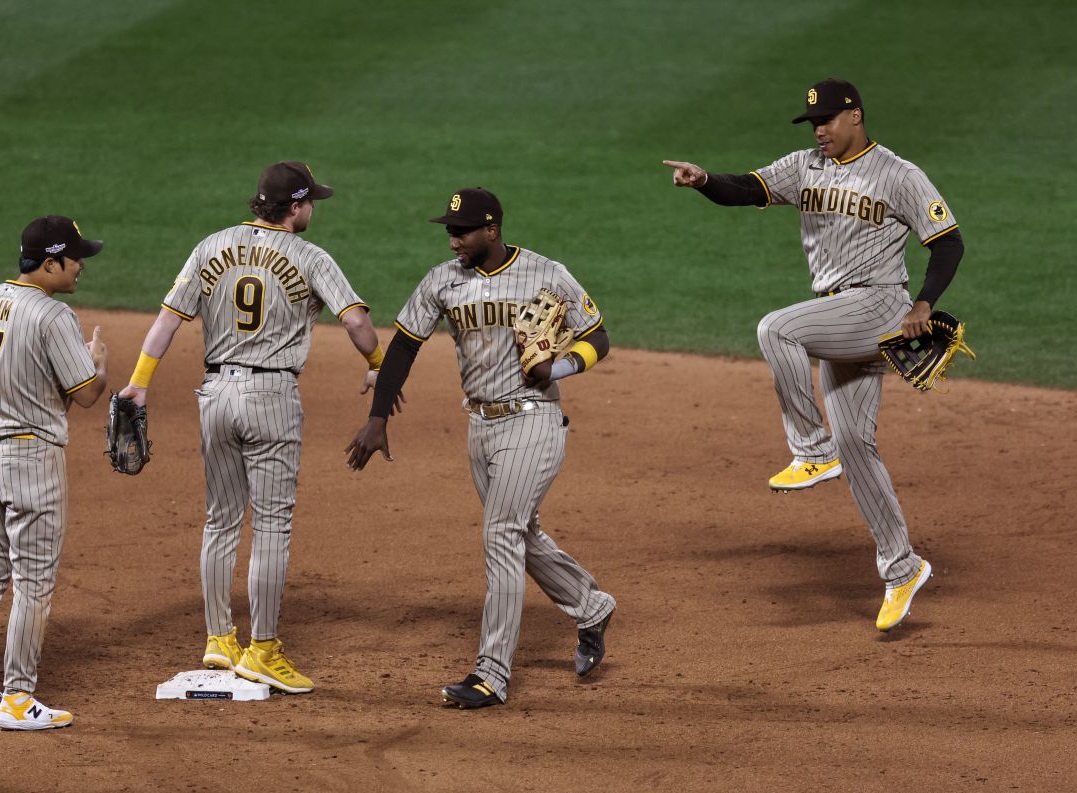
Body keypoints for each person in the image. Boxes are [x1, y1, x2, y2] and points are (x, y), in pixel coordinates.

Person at [664, 77, 964, 631]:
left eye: (827, 120)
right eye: (813, 124)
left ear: (857, 116)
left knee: (777, 329)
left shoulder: (899, 174)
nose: (820, 131)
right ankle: (903, 568)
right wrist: (704, 179)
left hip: (879, 306)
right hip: (839, 317)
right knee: (858, 445)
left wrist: (924, 302)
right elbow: (748, 188)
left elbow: (947, 241)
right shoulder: (807, 166)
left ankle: (810, 447)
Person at [118, 161, 388, 694]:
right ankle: (263, 649)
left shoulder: (211, 245)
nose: (314, 210)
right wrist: (379, 361)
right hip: (270, 396)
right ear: (294, 207)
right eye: (312, 202)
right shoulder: (311, 256)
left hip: (214, 394)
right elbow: (355, 321)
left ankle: (220, 638)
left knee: (220, 519)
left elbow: (168, 320)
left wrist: (139, 382)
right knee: (271, 526)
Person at [346, 187, 617, 708]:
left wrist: (555, 368)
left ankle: (491, 674)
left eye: (461, 231)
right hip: (480, 426)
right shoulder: (442, 282)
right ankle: (591, 606)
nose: (452, 241)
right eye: (448, 230)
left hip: (533, 419)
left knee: (500, 534)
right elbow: (404, 345)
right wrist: (377, 418)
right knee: (520, 531)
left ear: (491, 229)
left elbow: (598, 335)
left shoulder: (546, 273)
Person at [0, 215, 109, 730]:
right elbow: (85, 395)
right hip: (30, 460)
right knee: (33, 580)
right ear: (50, 262)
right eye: (75, 257)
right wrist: (98, 362)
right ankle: (17, 698)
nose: (82, 266)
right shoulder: (54, 315)